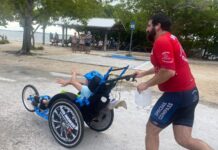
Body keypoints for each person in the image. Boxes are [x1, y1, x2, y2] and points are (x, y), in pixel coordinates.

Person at [134, 13, 213, 150]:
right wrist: (144, 73)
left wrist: (146, 84)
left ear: (157, 26)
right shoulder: (170, 38)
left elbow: (169, 71)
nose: (147, 29)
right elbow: (164, 66)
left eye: (149, 25)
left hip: (177, 95)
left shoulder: (162, 41)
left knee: (151, 130)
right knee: (184, 139)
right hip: (190, 93)